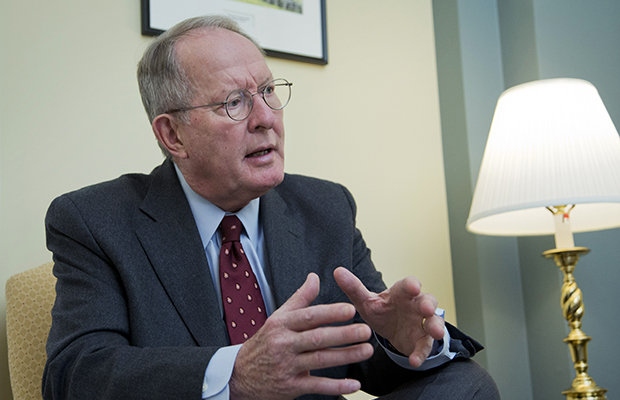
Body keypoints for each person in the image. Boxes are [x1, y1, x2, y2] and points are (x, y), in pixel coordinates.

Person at [43, 15, 499, 400]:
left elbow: (360, 357)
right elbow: (76, 373)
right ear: (172, 135)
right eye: (235, 102)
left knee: (464, 382)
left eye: (268, 91)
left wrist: (396, 340)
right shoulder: (95, 221)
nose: (265, 118)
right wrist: (235, 372)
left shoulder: (325, 207)